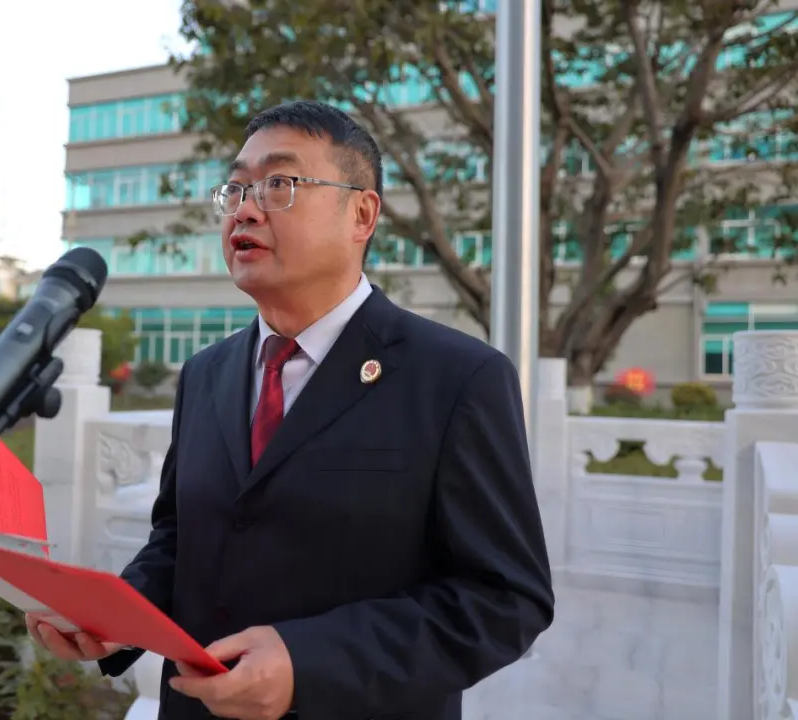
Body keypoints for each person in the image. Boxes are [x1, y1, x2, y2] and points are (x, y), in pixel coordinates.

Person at [27, 100, 555, 720]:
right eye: (236, 189)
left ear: (362, 214)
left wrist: (308, 663)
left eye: (279, 184)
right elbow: (180, 539)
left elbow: (504, 599)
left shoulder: (458, 377)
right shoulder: (206, 374)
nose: (246, 209)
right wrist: (117, 614)